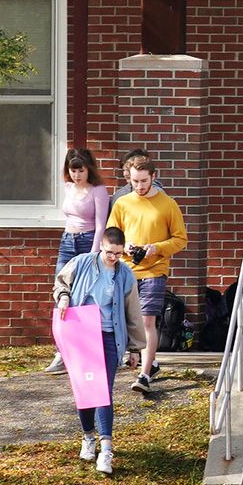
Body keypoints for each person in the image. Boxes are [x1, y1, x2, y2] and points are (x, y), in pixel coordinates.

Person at [53, 226, 145, 475]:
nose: (113, 257)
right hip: (82, 333)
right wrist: (63, 297)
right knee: (85, 390)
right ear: (101, 247)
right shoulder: (81, 263)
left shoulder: (125, 275)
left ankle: (106, 451)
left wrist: (135, 348)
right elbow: (61, 282)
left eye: (117, 253)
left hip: (109, 336)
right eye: (109, 252)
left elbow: (133, 313)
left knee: (103, 391)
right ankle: (88, 437)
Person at [106, 156, 187, 395]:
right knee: (122, 317)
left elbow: (180, 239)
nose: (139, 186)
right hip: (126, 268)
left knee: (147, 320)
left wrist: (157, 247)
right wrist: (126, 245)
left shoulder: (168, 204)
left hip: (155, 269)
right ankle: (147, 360)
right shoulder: (122, 203)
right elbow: (112, 235)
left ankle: (144, 373)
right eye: (134, 182)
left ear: (153, 177)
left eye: (144, 181)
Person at [45, 148, 110, 375]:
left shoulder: (98, 191)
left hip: (86, 242)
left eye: (81, 171)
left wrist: (93, 255)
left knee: (86, 295)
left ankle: (88, 351)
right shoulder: (68, 187)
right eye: (73, 171)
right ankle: (61, 352)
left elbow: (101, 225)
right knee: (61, 291)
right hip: (67, 241)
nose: (77, 175)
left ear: (88, 169)